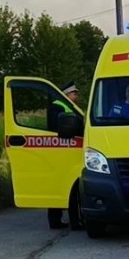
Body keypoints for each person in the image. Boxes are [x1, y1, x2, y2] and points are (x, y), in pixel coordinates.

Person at [48, 81, 82, 229]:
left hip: (67, 151)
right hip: (62, 151)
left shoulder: (68, 106)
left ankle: (57, 221)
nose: (77, 95)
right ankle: (73, 222)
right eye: (74, 93)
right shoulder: (57, 106)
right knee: (70, 189)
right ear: (66, 94)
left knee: (62, 186)